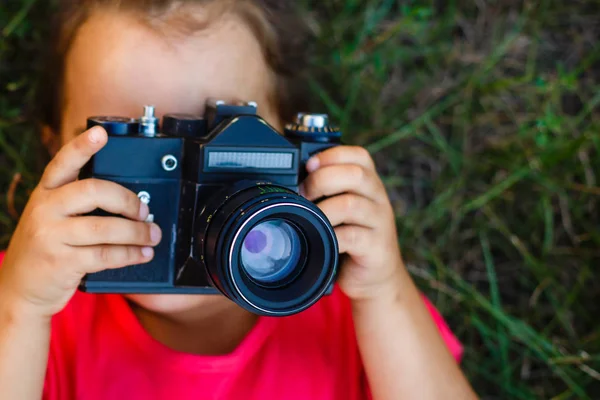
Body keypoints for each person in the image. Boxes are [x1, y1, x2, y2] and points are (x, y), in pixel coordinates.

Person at [0, 1, 477, 399]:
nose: (184, 188)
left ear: (293, 149)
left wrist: (385, 294)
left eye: (222, 137)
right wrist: (19, 309)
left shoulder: (353, 303)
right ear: (55, 153)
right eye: (133, 142)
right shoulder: (32, 297)